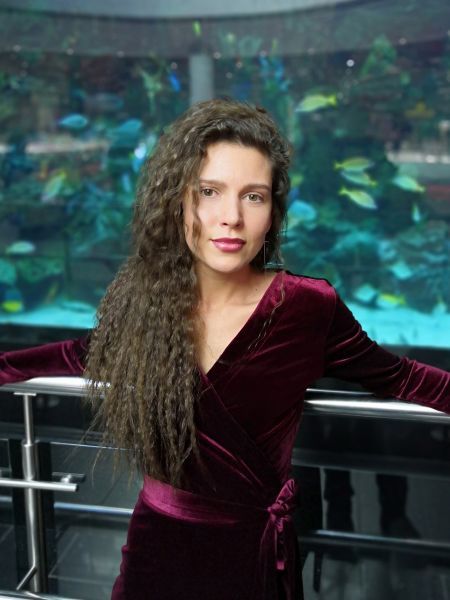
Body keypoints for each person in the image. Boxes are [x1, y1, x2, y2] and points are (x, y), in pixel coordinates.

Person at [1, 97, 449, 600]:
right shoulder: (146, 301)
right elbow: (81, 352)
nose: (231, 217)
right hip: (154, 547)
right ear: (178, 200)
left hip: (252, 555)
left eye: (253, 197)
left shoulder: (307, 307)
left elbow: (402, 377)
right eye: (209, 192)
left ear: (273, 213)